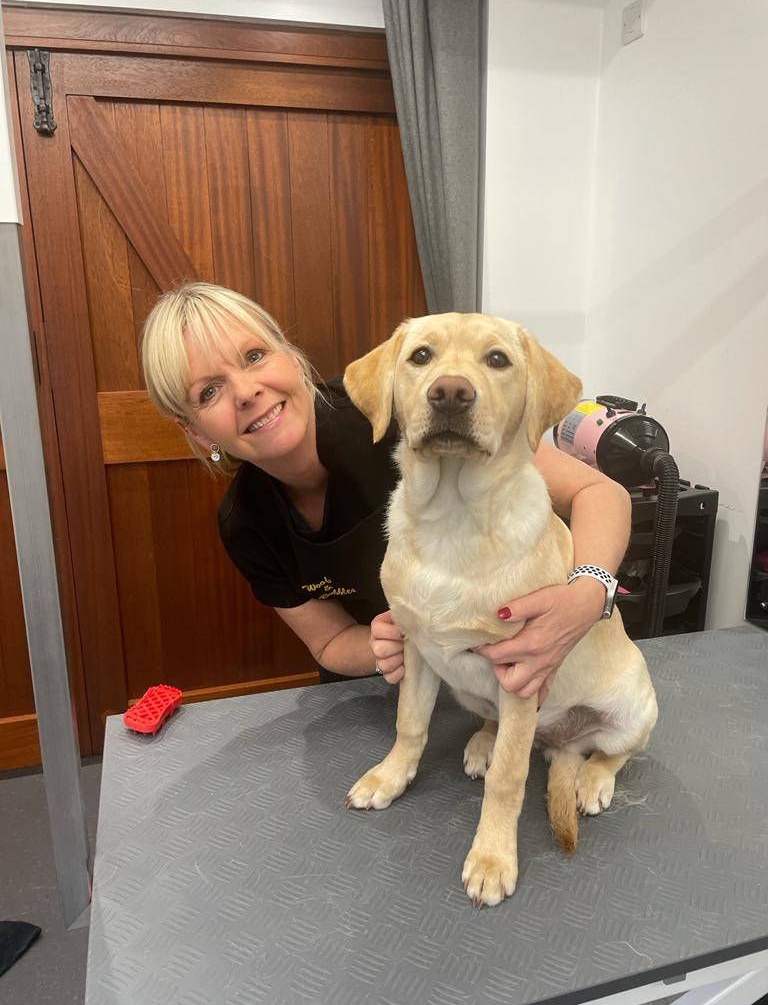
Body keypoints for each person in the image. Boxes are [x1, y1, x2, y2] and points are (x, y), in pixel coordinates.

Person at [141, 283, 631, 700]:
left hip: (519, 678)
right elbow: (330, 642)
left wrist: (588, 596)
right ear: (199, 433)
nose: (245, 391)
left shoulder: (411, 413)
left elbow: (599, 492)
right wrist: (386, 645)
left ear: (290, 358)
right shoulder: (246, 523)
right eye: (209, 391)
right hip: (395, 695)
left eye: (254, 356)